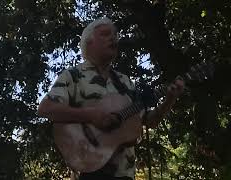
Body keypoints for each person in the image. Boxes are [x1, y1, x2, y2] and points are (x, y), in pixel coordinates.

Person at [37, 17, 184, 180]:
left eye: (115, 35)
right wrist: (90, 115)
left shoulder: (125, 82)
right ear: (89, 42)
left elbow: (150, 121)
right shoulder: (73, 75)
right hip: (89, 171)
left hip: (125, 174)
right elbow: (46, 109)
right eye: (105, 34)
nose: (113, 38)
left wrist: (170, 99)